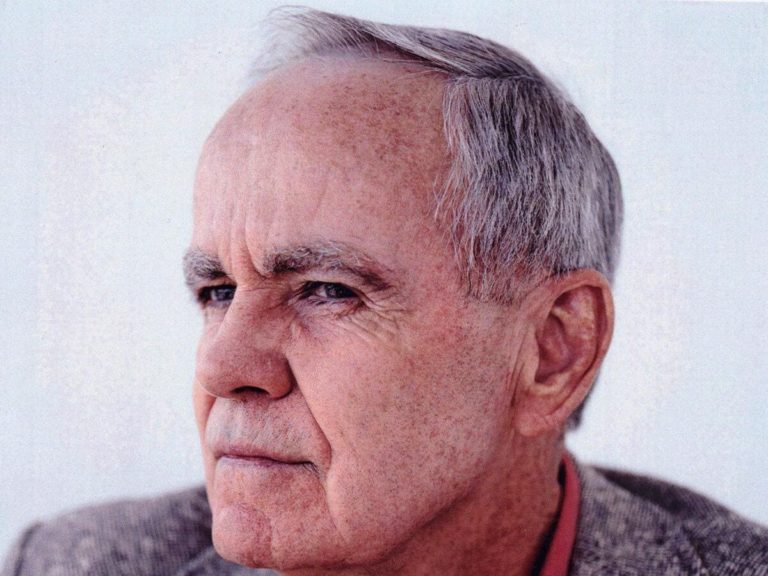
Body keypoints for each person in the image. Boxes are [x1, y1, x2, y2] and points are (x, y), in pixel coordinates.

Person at [3, 8, 766, 576]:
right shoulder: (68, 563)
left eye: (326, 290)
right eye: (216, 291)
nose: (221, 365)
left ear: (552, 351)